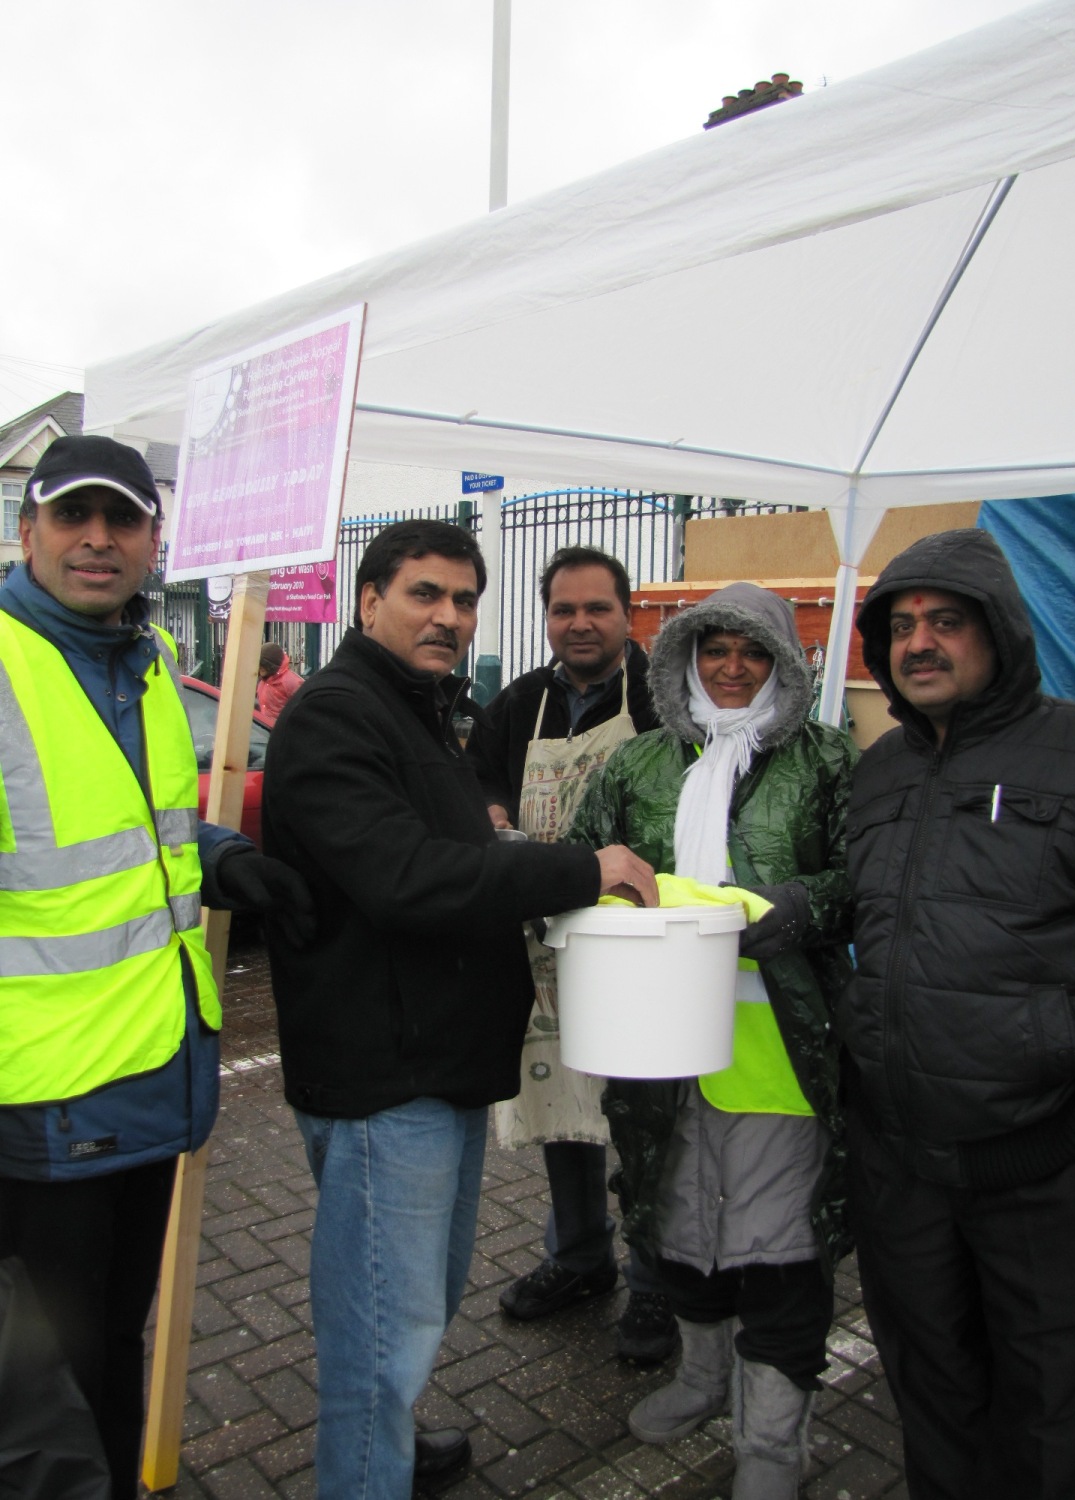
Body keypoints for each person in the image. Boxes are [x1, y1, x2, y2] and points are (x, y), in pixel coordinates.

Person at [261, 519, 657, 1500]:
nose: (448, 616)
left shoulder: (427, 707)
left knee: (418, 1304)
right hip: (383, 1078)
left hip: (438, 1065)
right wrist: (576, 868)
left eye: (465, 600)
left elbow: (450, 846)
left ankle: (383, 1440)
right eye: (425, 594)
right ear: (367, 602)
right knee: (380, 1328)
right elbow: (402, 878)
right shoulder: (337, 712)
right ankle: (368, 1466)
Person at [0, 435, 314, 1500]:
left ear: (152, 539)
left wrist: (227, 863)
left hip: (150, 1076)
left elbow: (146, 841)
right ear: (26, 529)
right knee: (48, 1385)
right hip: (42, 1103)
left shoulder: (136, 665)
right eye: (73, 516)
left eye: (121, 520)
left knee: (110, 1350)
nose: (98, 540)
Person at [839, 527, 1075, 1500]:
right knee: (936, 1408)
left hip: (1050, 1170)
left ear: (1000, 632)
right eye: (903, 626)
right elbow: (869, 911)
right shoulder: (876, 772)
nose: (920, 642)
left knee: (1061, 1429)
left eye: (947, 622)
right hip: (905, 1176)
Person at [567, 582, 857, 1499]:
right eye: (714, 650)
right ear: (685, 658)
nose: (732, 668)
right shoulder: (637, 764)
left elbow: (867, 877)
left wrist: (794, 907)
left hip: (779, 1049)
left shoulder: (827, 760)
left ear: (783, 662)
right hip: (659, 1044)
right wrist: (612, 902)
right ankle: (699, 1375)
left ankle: (773, 1445)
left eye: (753, 652)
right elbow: (583, 858)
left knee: (777, 1251)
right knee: (677, 1226)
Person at [467, 545, 675, 1361]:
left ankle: (657, 1281)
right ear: (546, 617)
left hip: (639, 942)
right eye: (563, 609)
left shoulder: (662, 701)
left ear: (628, 616)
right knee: (562, 1104)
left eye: (596, 608)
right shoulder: (517, 703)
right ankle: (580, 1256)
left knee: (645, 1115)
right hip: (542, 940)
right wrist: (486, 811)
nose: (579, 623)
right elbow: (477, 779)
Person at [256, 641, 304, 726]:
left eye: (265, 665)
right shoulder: (262, 682)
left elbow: (304, 710)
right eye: (259, 664)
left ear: (273, 666)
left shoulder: (291, 682)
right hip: (267, 729)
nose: (261, 668)